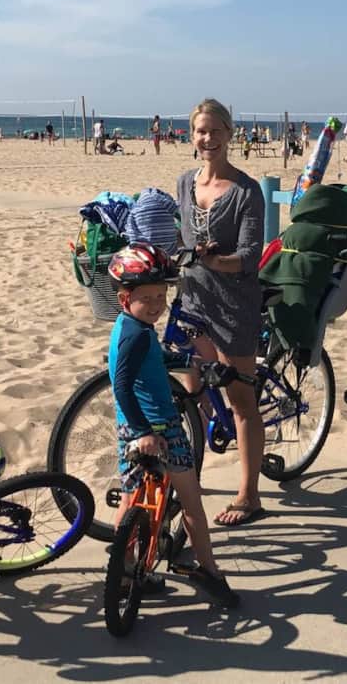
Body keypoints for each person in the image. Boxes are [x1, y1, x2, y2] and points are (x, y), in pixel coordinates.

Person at [106, 243, 239, 607]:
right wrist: (147, 432)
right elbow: (120, 385)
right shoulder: (137, 334)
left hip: (129, 430)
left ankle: (124, 567)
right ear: (123, 298)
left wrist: (190, 361)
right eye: (146, 298)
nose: (155, 304)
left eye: (160, 296)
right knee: (192, 502)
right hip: (160, 429)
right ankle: (208, 570)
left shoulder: (132, 327)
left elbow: (156, 358)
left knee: (131, 495)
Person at [176, 98, 266, 526]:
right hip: (193, 303)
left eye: (215, 131)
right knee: (194, 396)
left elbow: (251, 257)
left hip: (233, 307)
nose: (207, 139)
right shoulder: (183, 183)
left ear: (230, 134)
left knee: (241, 401)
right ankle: (189, 474)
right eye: (200, 131)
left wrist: (214, 261)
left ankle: (249, 495)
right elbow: (179, 238)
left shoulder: (246, 191)